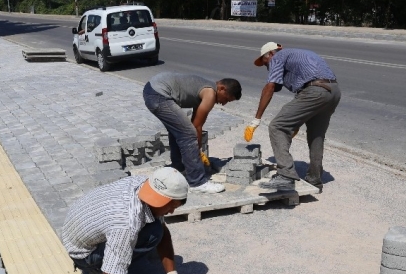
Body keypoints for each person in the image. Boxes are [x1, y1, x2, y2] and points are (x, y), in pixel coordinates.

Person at [61, 167, 198, 274]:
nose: (172, 212)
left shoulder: (143, 184)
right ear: (164, 200)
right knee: (142, 242)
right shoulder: (126, 223)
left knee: (155, 229)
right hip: (84, 254)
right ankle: (96, 270)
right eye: (172, 207)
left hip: (77, 227)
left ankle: (116, 257)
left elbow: (162, 231)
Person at [245, 42, 341, 192]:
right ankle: (314, 180)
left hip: (315, 91)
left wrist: (256, 120)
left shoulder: (278, 57)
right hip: (333, 91)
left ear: (270, 54)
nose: (267, 68)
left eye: (265, 64)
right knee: (316, 135)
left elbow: (270, 87)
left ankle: (286, 176)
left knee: (277, 126)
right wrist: (294, 124)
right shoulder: (297, 54)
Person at [144, 72, 242, 193]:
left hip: (152, 90)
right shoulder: (210, 93)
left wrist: (197, 148)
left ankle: (179, 168)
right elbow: (196, 128)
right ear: (222, 88)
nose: (224, 103)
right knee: (187, 134)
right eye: (226, 99)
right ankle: (197, 182)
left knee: (179, 131)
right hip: (159, 94)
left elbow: (196, 123)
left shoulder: (204, 88)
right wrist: (197, 150)